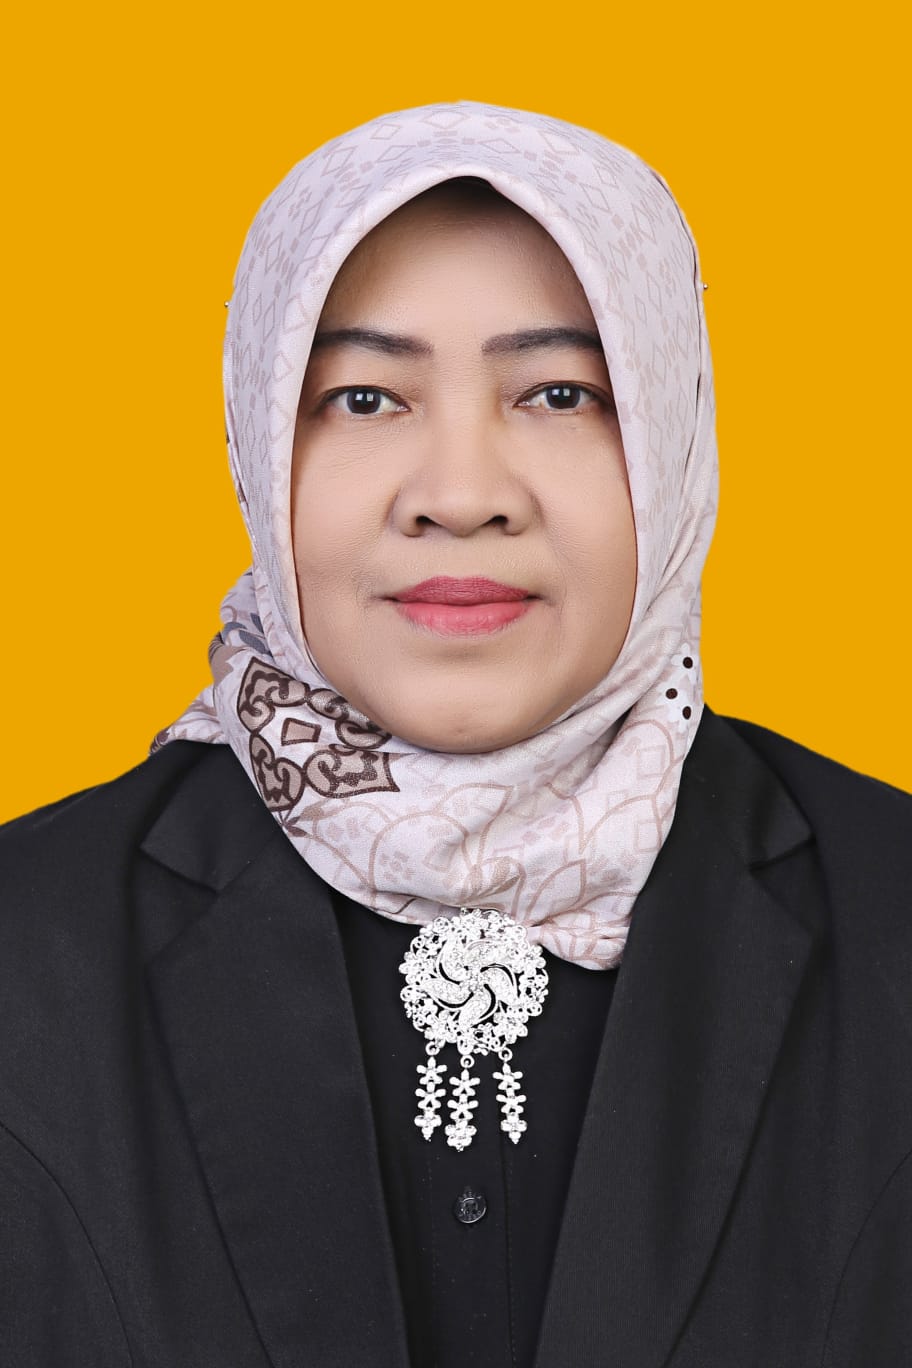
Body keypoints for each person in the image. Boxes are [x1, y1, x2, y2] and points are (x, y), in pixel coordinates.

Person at [0, 101, 909, 1368]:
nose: (462, 496)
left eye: (559, 393)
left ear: (674, 432)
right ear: (258, 444)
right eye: (366, 397)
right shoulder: (25, 948)